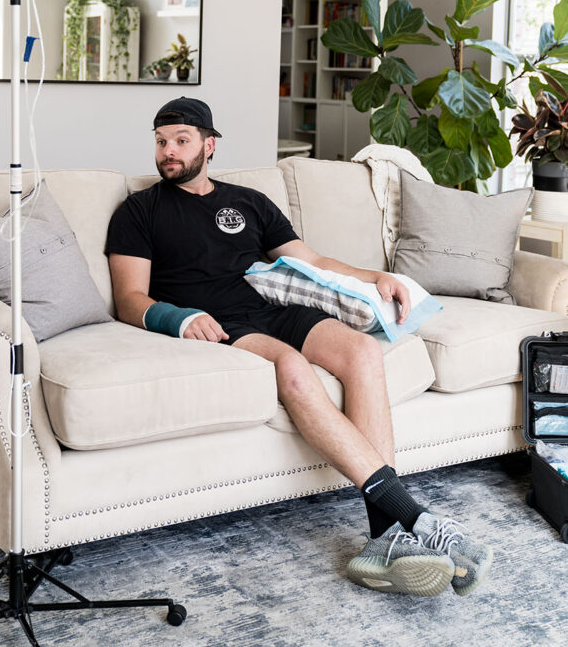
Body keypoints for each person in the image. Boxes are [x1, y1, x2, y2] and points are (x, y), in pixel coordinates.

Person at [106, 97, 492, 598]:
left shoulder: (247, 201)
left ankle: (384, 539)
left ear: (209, 144)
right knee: (290, 366)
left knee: (363, 352)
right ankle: (412, 520)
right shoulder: (139, 211)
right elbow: (128, 299)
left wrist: (379, 276)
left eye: (181, 141)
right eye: (161, 142)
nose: (169, 153)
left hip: (274, 305)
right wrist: (178, 318)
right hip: (219, 322)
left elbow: (311, 259)